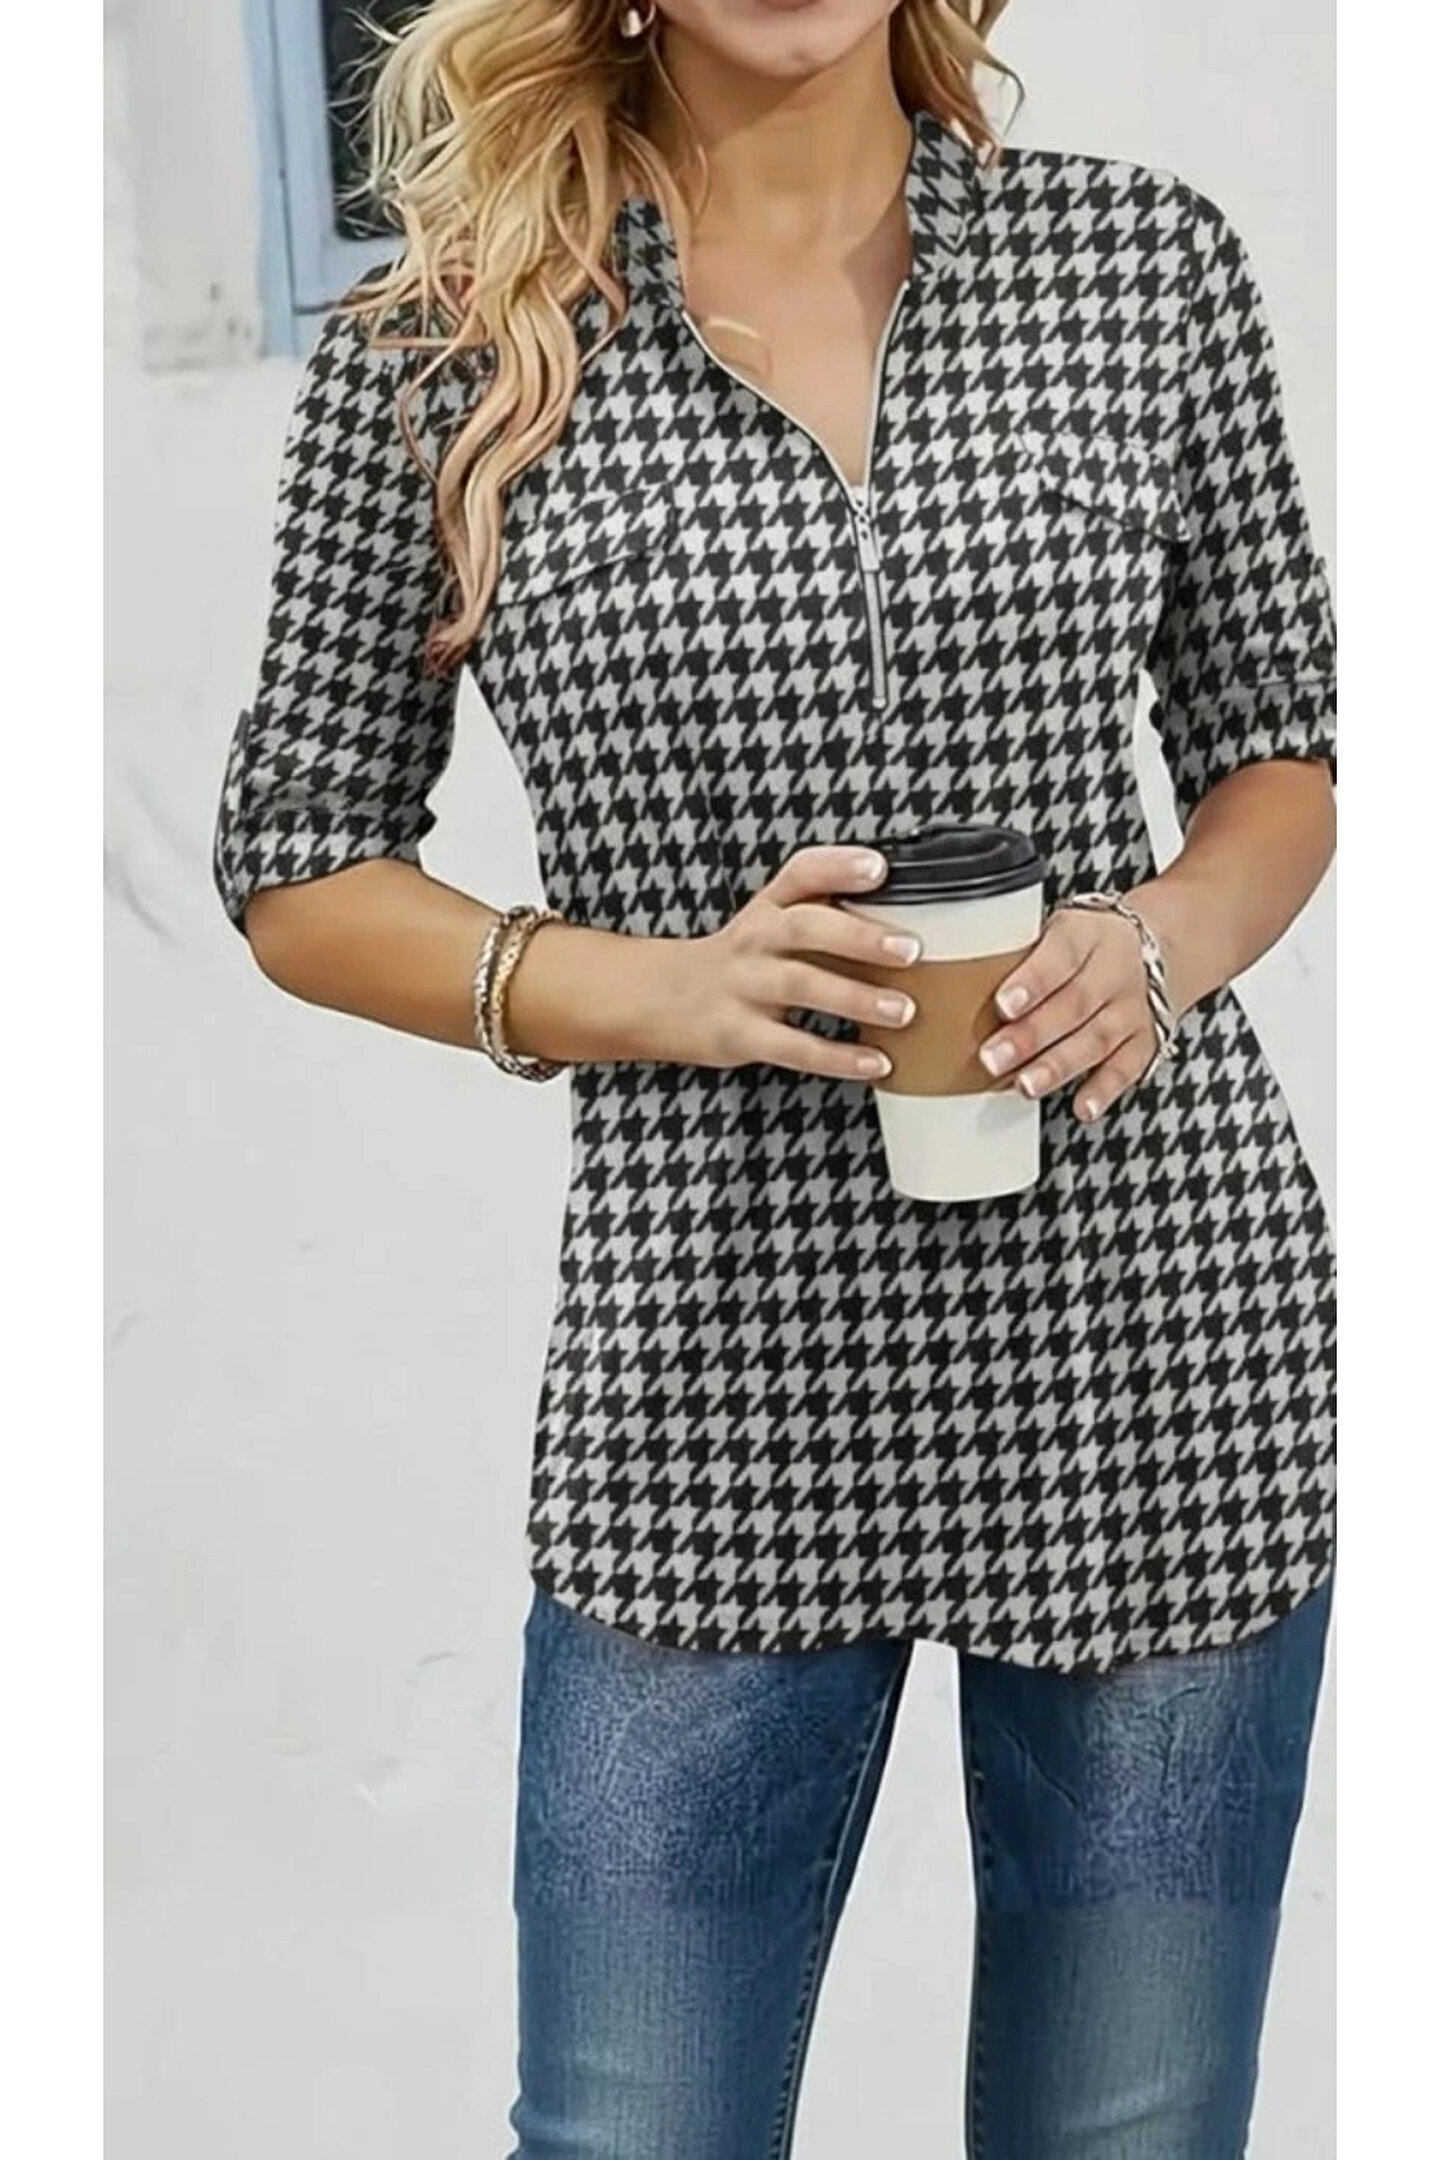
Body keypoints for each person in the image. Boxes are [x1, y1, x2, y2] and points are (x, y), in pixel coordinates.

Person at [211, 3, 1338, 2153]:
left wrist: (1156, 944)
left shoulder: (1143, 265)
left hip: (1155, 1350)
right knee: (629, 2131)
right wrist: (664, 991)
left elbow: (1279, 750)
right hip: (709, 1378)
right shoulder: (443, 348)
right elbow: (298, 861)